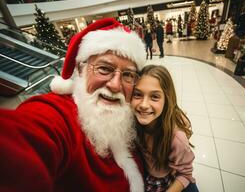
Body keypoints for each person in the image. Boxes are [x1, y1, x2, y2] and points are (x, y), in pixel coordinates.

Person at [0, 18, 146, 192]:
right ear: (80, 69)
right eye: (104, 69)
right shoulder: (57, 114)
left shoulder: (130, 114)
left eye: (128, 74)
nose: (115, 85)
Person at [131, 65, 198, 192]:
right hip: (146, 173)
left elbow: (185, 174)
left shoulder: (176, 139)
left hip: (167, 180)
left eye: (154, 96)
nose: (144, 105)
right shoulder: (132, 122)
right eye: (138, 94)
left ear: (167, 100)